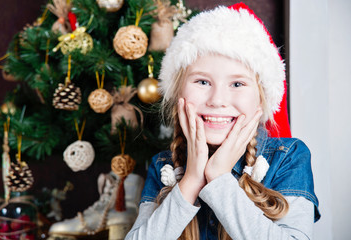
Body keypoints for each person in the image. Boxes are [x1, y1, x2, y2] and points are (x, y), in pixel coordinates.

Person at [125, 3, 320, 240]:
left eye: (237, 84)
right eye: (202, 82)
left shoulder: (288, 157)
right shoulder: (163, 165)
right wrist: (190, 182)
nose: (217, 100)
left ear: (262, 99)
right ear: (178, 94)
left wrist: (218, 177)